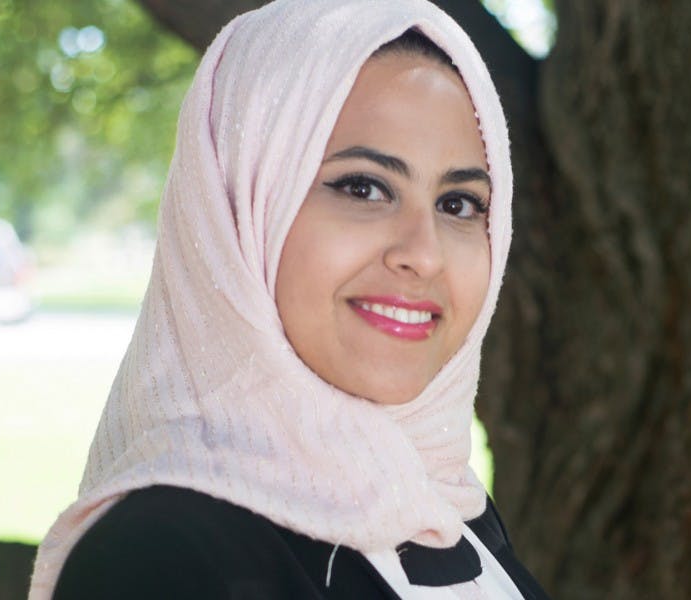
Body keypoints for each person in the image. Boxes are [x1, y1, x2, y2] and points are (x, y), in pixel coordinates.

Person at [29, 0, 548, 598]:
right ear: (239, 210)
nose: (424, 254)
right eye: (364, 187)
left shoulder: (452, 513)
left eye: (458, 204)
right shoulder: (164, 557)